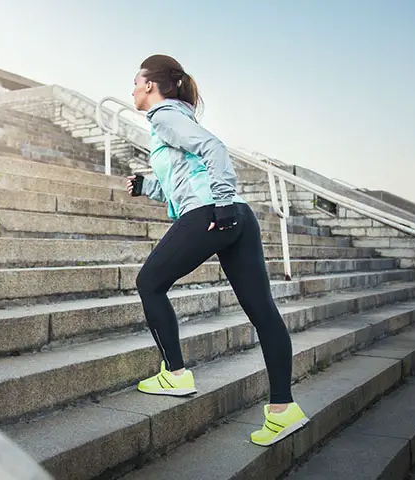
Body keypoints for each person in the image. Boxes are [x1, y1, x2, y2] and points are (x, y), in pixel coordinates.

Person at [125, 54, 309, 446]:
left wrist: (222, 202)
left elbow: (214, 149)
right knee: (263, 313)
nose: (132, 90)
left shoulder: (162, 117)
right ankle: (283, 409)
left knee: (149, 283)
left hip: (215, 212)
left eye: (135, 82)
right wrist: (148, 187)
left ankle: (174, 374)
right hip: (235, 216)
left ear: (150, 86)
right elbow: (184, 183)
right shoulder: (179, 118)